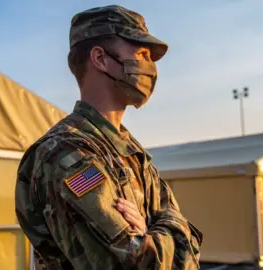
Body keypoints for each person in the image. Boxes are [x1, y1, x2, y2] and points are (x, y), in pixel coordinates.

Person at [15, 4, 203, 269]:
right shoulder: (67, 153)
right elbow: (137, 262)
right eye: (141, 53)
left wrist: (155, 234)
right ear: (101, 59)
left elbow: (177, 240)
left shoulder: (130, 150)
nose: (149, 67)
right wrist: (170, 233)